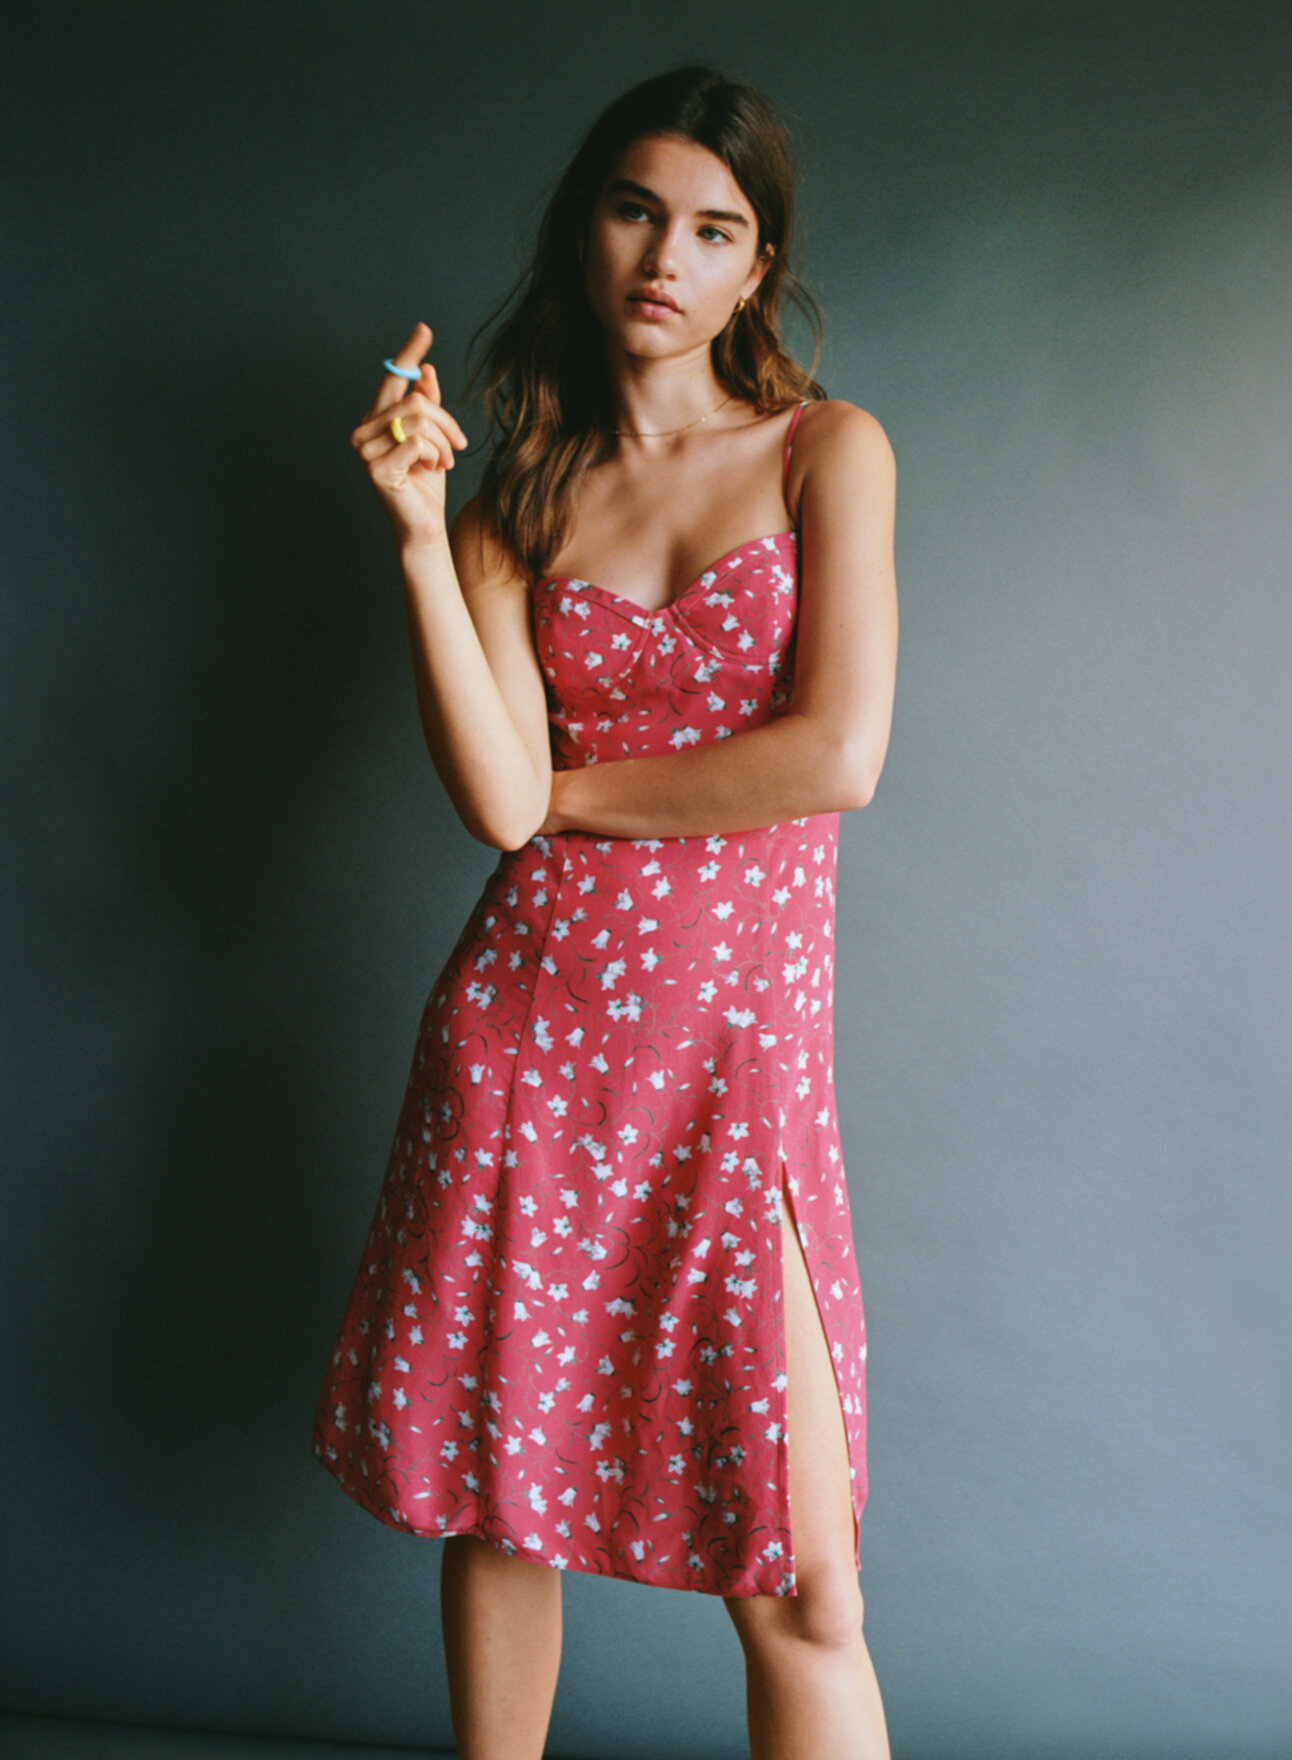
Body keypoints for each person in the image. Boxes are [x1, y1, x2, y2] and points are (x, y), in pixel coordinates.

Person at [314, 64, 898, 1760]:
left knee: (809, 1591)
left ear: (757, 267)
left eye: (714, 229)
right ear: (588, 229)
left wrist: (569, 796)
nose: (666, 256)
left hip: (732, 1071)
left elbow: (836, 754)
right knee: (502, 1508)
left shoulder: (827, 452)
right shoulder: (516, 506)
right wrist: (420, 536)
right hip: (528, 1044)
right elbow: (493, 800)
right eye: (638, 212)